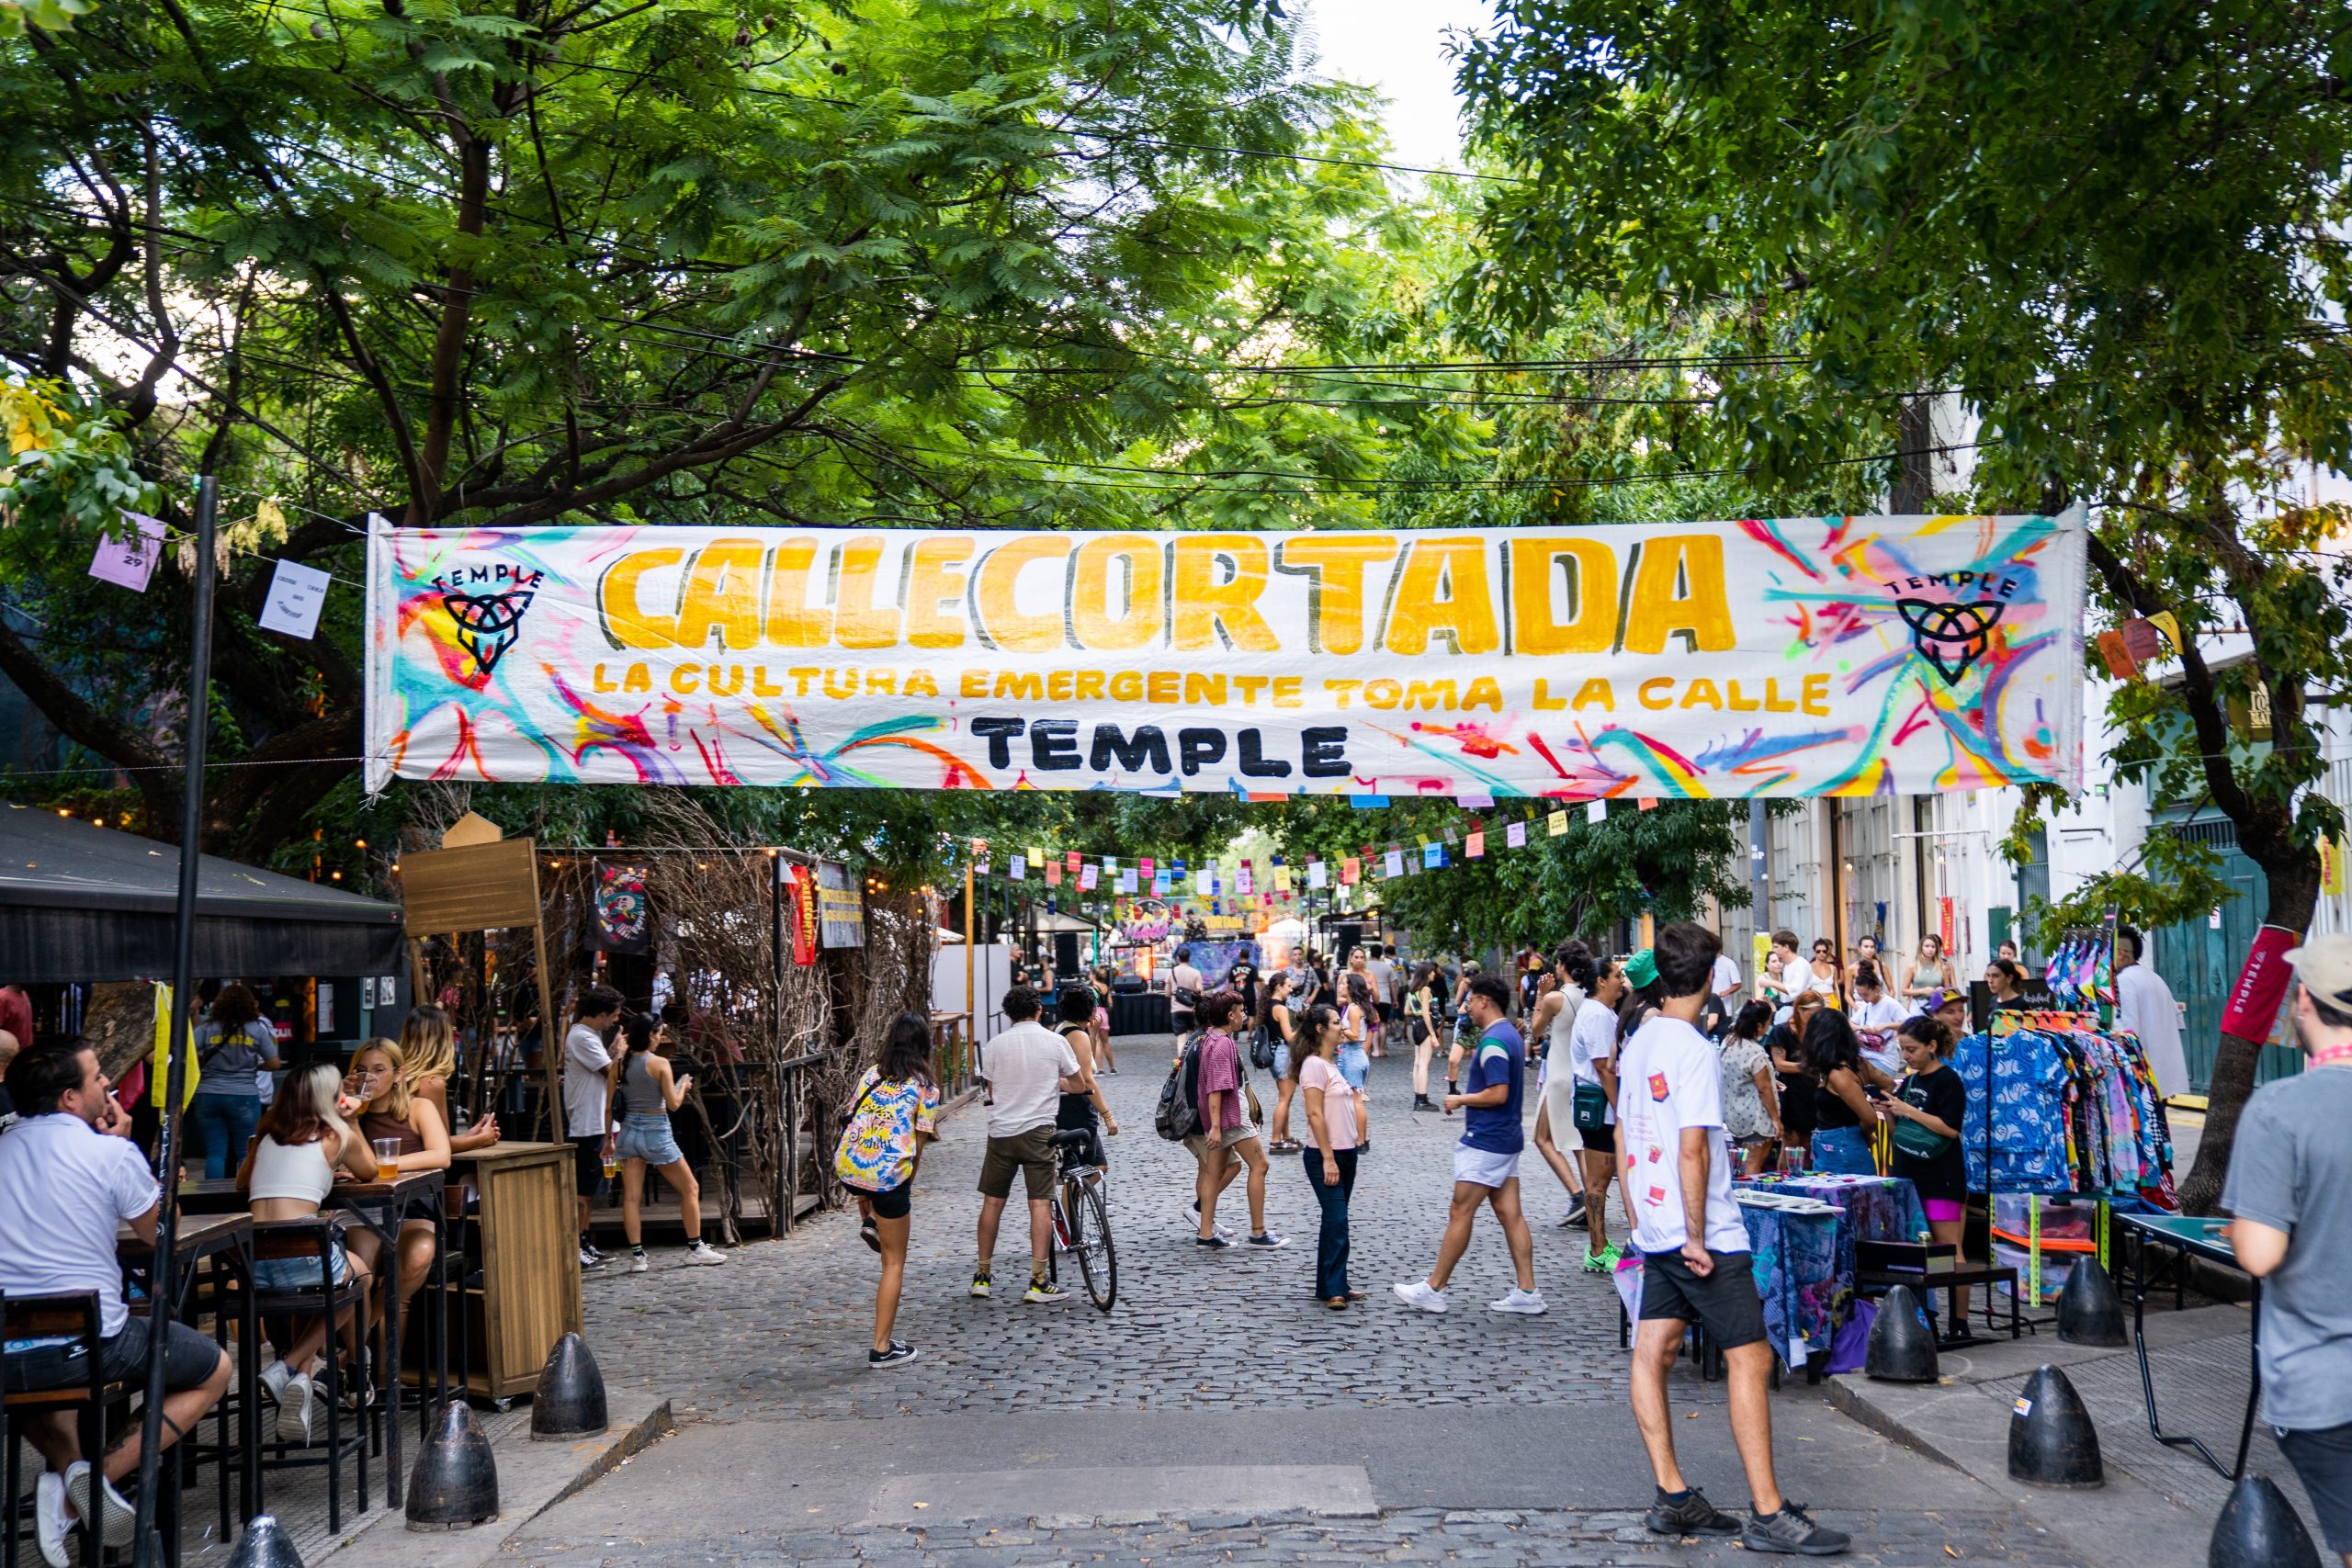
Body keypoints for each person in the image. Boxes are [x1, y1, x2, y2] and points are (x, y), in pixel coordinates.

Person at [1617, 921, 1847, 1555]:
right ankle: (1769, 1512)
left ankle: (1672, 1494)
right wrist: (1695, 1234)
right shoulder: (1692, 1048)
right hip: (1703, 1233)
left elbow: (1623, 1133)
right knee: (1751, 1357)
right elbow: (1692, 1147)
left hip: (1656, 1227)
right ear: (1713, 977)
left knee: (1652, 1348)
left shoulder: (1638, 1040)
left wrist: (1639, 1216)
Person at [1, 1043, 234, 1563]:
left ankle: (69, 1470)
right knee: (216, 1368)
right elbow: (163, 1236)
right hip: (91, 1342)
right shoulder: (108, 1153)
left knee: (42, 1382)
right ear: (69, 1098)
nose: (107, 1083)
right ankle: (86, 1482)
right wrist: (130, 1149)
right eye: (98, 1078)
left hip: (8, 1350)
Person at [2225, 933, 2352, 1568]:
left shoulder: (2279, 1109)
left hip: (2326, 1385)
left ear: (2303, 1000)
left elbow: (2259, 1253)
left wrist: (2249, 1222)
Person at [240, 1062, 382, 1444]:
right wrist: (351, 1123)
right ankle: (299, 1366)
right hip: (304, 1258)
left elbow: (242, 1182)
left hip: (255, 1265)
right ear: (329, 1098)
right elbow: (369, 1172)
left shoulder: (267, 1133)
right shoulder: (336, 1135)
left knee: (336, 1281)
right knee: (358, 1279)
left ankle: (302, 1376)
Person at [1392, 973, 1544, 1315]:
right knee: (1511, 1214)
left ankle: (1434, 1287)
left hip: (1487, 1140)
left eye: (1470, 1000)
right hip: (1504, 1138)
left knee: (1460, 1211)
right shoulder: (1509, 1035)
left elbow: (1498, 1092)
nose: (1466, 1007)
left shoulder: (1494, 1042)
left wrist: (1460, 1100)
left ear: (1484, 1002)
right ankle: (1528, 1291)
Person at [834, 1012, 938, 1369]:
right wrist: (907, 1183)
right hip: (888, 1178)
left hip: (850, 1169)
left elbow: (855, 1123)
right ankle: (882, 1347)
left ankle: (870, 1218)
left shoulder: (871, 1075)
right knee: (893, 1262)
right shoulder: (925, 1086)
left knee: (869, 1181)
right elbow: (918, 1145)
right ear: (923, 1046)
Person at [972, 985, 1082, 1303]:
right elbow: (1078, 1084)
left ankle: (982, 1275)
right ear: (1039, 1010)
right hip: (1039, 1131)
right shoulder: (1054, 1041)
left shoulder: (994, 1045)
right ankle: (1038, 1280)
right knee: (1040, 1204)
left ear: (1008, 1015)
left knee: (992, 1203)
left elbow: (992, 1090)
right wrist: (1054, 1082)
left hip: (1002, 1132)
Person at [343, 1039, 454, 1353]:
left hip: (415, 1208)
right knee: (360, 1270)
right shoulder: (349, 1114)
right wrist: (348, 1115)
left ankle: (353, 1354)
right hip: (365, 1210)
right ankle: (360, 1376)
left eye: (379, 1070)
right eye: (362, 1070)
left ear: (399, 1074)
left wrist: (385, 1166)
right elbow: (342, 1161)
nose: (371, 1078)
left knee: (416, 1257)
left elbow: (442, 1155)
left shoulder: (419, 1107)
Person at [611, 1012, 729, 1271]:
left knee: (631, 1198)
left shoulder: (618, 1064)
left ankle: (638, 1257)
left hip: (628, 1132)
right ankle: (696, 1247)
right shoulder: (660, 1064)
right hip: (656, 1131)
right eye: (659, 1033)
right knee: (690, 1188)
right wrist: (683, 1086)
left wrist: (607, 1141)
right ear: (651, 1035)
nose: (660, 1038)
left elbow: (609, 1107)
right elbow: (674, 1105)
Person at [1883, 1014, 1971, 1330]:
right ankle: (1924, 1321)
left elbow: (1950, 1128)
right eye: (1903, 1050)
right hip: (1909, 1174)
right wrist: (1891, 1111)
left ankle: (1959, 1322)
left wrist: (1909, 1110)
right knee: (1915, 1249)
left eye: (1911, 1049)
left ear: (1932, 1046)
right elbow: (1901, 1133)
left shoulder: (1948, 1080)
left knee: (1949, 1249)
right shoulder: (1910, 1081)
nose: (1906, 1056)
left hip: (1941, 1178)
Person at [1189, 989, 1288, 1252]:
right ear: (1231, 1016)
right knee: (1260, 1165)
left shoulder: (1211, 1038)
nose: (1245, 1015)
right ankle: (1258, 1232)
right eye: (1242, 1011)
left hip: (1224, 1119)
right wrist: (1217, 1127)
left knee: (1213, 1172)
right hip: (1231, 1119)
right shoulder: (1222, 1044)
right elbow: (1216, 1089)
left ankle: (1206, 1233)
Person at [1296, 1002, 1365, 1307]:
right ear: (1321, 1029)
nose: (1343, 1027)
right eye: (1337, 1022)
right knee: (1337, 1220)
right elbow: (1314, 1114)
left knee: (1334, 1219)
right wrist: (1327, 1157)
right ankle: (1335, 1289)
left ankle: (1330, 1283)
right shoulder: (1313, 1065)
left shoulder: (1334, 1065)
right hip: (1325, 1155)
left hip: (1347, 1153)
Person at [187, 983, 283, 1180]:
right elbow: (274, 1063)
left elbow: (187, 1053)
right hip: (243, 1095)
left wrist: (205, 1062)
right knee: (244, 1151)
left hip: (208, 1094)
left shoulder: (206, 1028)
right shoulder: (256, 1030)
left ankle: (212, 1197)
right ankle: (241, 1194)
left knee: (215, 1153)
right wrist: (255, 1067)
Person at [1569, 957, 1628, 1270]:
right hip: (1601, 1110)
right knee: (1598, 1182)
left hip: (1604, 1108)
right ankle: (1597, 1249)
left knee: (1601, 1180)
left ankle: (1600, 1246)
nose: (1622, 979)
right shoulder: (1596, 1015)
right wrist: (1621, 1111)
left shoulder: (1602, 1012)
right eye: (1617, 974)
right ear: (1601, 981)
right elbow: (1603, 1068)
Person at [1530, 945, 1592, 1228]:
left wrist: (1541, 995)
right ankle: (1592, 1198)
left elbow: (1535, 1031)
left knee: (1543, 1138)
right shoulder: (1590, 997)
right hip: (1579, 1076)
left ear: (1563, 965)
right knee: (1579, 1143)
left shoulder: (1556, 997)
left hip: (1557, 1076)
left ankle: (1578, 1195)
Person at [564, 985, 625, 1268]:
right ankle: (576, 1244)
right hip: (587, 1123)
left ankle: (584, 1240)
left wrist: (613, 1048)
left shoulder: (589, 1035)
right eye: (613, 1016)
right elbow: (610, 1072)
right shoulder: (581, 1037)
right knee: (583, 1191)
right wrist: (621, 1054)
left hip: (594, 1120)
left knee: (591, 1189)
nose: (614, 1021)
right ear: (600, 1014)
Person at [397, 1004, 501, 1153]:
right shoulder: (430, 1083)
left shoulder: (400, 1075)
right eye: (452, 1031)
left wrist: (469, 1134)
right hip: (421, 1170)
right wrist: (483, 1138)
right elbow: (443, 1147)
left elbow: (432, 1139)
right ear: (443, 1040)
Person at [1804, 1010, 1891, 1176]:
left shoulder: (1840, 1074)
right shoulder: (1856, 1063)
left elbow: (1870, 1118)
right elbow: (1888, 1084)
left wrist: (1863, 1133)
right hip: (1837, 1148)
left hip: (1841, 1151)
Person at [2115, 925, 2189, 1100]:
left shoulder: (2123, 981)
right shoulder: (2156, 978)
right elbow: (2179, 1022)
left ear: (2121, 953)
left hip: (2144, 1077)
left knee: (2145, 1126)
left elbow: (2128, 1032)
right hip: (2164, 1076)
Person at [1053, 980, 1118, 1167]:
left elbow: (1085, 1060)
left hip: (1068, 1104)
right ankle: (1069, 1196)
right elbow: (1088, 1079)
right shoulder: (1076, 1034)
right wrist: (1107, 1115)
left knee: (1098, 1167)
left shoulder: (1065, 1028)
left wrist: (1093, 1034)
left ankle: (1070, 1195)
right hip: (1077, 1106)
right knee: (1084, 1169)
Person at [1719, 1002, 1784, 1177]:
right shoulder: (1755, 1051)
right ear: (1759, 1025)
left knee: (1742, 1166)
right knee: (1753, 1167)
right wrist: (1776, 1120)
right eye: (1769, 1022)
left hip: (1735, 1116)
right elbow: (1763, 1088)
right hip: (1756, 1119)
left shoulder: (1728, 1042)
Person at [1764, 990, 1826, 1165]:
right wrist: (1807, 1067)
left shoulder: (1816, 1033)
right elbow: (1780, 1064)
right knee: (1791, 1143)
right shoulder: (1781, 1031)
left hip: (1812, 1092)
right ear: (1800, 1010)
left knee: (1808, 1142)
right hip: (1791, 1092)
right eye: (1812, 1014)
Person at [1261, 972, 1304, 1154]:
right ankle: (1275, 1140)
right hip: (1283, 1054)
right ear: (1279, 987)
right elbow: (1289, 1037)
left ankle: (1285, 1136)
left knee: (1285, 1098)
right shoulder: (1281, 1009)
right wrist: (1304, 1028)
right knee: (1284, 1099)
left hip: (1275, 1053)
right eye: (1287, 986)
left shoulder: (1269, 1006)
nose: (1290, 989)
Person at [1848, 964, 1907, 1077]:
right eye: (1860, 995)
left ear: (1876, 989)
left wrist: (1886, 1026)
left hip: (1884, 1059)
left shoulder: (1890, 1004)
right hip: (1864, 1057)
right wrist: (1860, 1028)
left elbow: (1909, 1022)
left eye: (1865, 994)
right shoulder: (1866, 1006)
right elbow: (1850, 1023)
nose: (1863, 998)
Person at [1338, 973, 1374, 1147]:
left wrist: (1340, 1026)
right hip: (1354, 1055)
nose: (1341, 986)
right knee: (1354, 1099)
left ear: (1351, 987)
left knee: (1356, 1100)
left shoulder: (1353, 1008)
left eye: (1344, 984)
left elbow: (1354, 1035)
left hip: (1353, 1054)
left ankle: (1361, 1140)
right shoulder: (1355, 1006)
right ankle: (1359, 1138)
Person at [1406, 962, 1445, 1112]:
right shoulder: (1426, 989)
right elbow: (1425, 1013)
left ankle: (1418, 1097)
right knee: (1424, 1064)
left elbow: (1407, 1011)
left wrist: (1420, 1013)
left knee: (1417, 1063)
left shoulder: (1412, 990)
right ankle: (1422, 1098)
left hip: (1415, 1027)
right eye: (1432, 972)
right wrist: (1434, 1035)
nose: (1434, 974)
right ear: (1426, 973)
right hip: (1424, 1027)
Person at [1444, 959, 1480, 1101]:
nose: (1465, 982)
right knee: (1453, 1060)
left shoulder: (1482, 991)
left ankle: (1478, 1088)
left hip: (1477, 1028)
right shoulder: (1465, 986)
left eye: (1467, 980)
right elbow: (1460, 1005)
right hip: (1465, 1026)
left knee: (1477, 1061)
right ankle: (1452, 1090)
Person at [1901, 933, 1950, 1005]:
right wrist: (1922, 991)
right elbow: (1904, 992)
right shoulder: (1912, 967)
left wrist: (1942, 991)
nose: (1930, 949)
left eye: (1933, 947)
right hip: (1918, 1005)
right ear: (1921, 948)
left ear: (1936, 949)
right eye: (1927, 946)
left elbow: (1948, 992)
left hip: (1937, 1005)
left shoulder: (1942, 967)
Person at [1367, 943, 1397, 1055]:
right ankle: (1382, 1049)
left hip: (1370, 998)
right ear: (1381, 954)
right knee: (1383, 1024)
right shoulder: (1387, 966)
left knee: (1372, 1024)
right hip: (1385, 998)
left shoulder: (1366, 966)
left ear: (1371, 953)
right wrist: (1395, 1000)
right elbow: (1393, 985)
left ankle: (1374, 1049)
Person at [1170, 945, 1204, 1039]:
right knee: (1194, 1037)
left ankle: (1181, 1054)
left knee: (1181, 1039)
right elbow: (1200, 991)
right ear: (1189, 959)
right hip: (1192, 1009)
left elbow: (1167, 993)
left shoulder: (1171, 972)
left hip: (1177, 1009)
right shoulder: (1196, 972)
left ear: (1178, 959)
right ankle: (1191, 1052)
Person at [1089, 966, 1118, 1075]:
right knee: (1106, 1043)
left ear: (1094, 975)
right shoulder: (1106, 987)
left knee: (1097, 1042)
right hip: (1104, 1014)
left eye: (1090, 974)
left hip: (1095, 1014)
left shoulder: (1092, 988)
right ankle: (1112, 1068)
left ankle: (1100, 1069)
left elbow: (1091, 1003)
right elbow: (1110, 1004)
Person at [1805, 938, 1844, 1010]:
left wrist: (1838, 1003)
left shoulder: (1832, 968)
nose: (1821, 953)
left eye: (1824, 951)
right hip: (1815, 1001)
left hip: (1831, 1001)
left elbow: (1835, 988)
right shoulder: (1809, 967)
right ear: (1814, 952)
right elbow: (1806, 989)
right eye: (1818, 951)